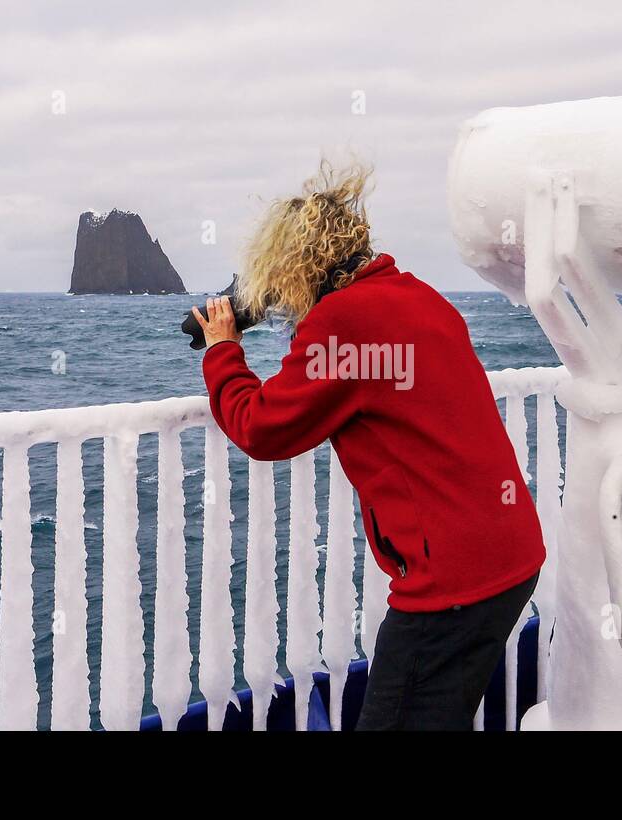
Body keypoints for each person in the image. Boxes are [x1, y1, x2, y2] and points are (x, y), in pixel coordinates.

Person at [191, 161, 545, 730]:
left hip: (450, 582)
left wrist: (222, 350)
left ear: (293, 263)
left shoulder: (343, 321)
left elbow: (261, 427)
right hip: (510, 557)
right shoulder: (418, 297)